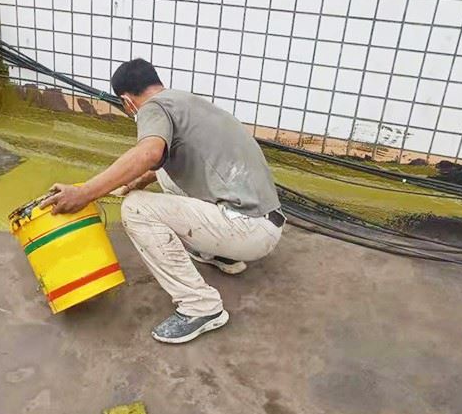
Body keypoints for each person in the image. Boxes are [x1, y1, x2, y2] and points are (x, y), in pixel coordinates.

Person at [41, 58, 284, 344]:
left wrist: (84, 193)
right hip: (263, 218)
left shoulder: (152, 108)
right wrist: (140, 180)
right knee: (165, 172)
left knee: (136, 208)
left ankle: (200, 307)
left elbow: (149, 153)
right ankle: (222, 255)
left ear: (127, 101)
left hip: (248, 229)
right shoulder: (183, 101)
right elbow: (165, 159)